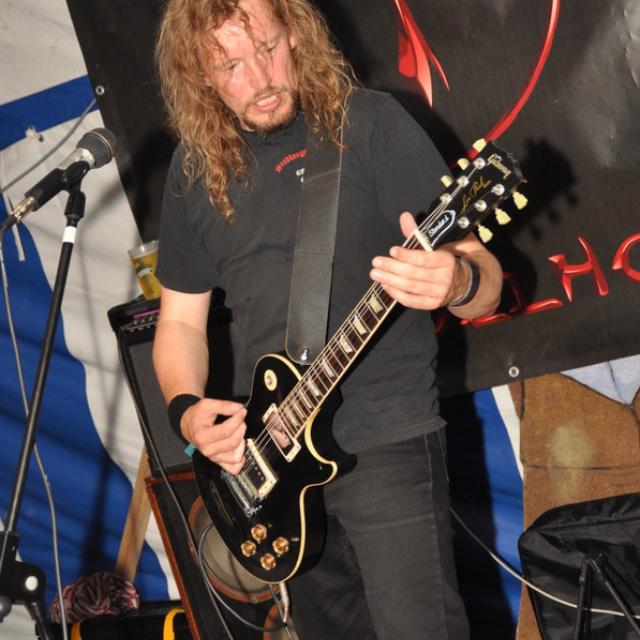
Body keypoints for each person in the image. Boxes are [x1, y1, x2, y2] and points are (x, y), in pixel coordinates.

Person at [152, 0, 503, 637]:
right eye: (231, 66)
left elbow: (484, 279)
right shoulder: (195, 171)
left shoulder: (368, 123)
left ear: (295, 33)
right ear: (200, 76)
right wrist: (186, 410)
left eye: (267, 49)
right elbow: (178, 323)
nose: (260, 79)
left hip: (386, 438)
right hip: (272, 460)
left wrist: (458, 281)